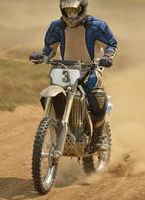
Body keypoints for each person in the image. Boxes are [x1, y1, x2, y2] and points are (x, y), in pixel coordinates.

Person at [30, 0, 117, 151]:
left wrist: (107, 57)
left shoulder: (97, 26)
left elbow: (111, 44)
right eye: (68, 11)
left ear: (82, 9)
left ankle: (98, 138)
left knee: (97, 98)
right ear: (62, 11)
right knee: (51, 94)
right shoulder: (56, 26)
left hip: (90, 68)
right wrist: (42, 56)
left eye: (74, 11)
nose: (71, 15)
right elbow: (49, 49)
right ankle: (58, 125)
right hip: (65, 69)